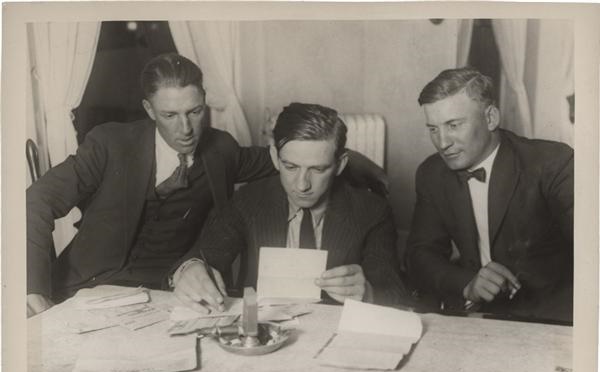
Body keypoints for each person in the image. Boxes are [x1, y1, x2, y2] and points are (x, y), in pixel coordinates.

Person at [26, 53, 387, 317]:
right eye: (170, 115)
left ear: (204, 102)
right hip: (83, 290)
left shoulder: (222, 149)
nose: (186, 129)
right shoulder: (108, 145)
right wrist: (33, 292)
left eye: (196, 111)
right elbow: (34, 203)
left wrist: (372, 172)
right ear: (149, 110)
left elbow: (289, 158)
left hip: (164, 297)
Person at [172, 102, 408, 309]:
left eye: (317, 169)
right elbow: (204, 255)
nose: (302, 185)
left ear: (340, 164)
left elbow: (395, 293)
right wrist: (189, 270)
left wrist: (368, 293)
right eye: (291, 167)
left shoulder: (371, 211)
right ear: (275, 158)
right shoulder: (249, 200)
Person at [406, 67, 573, 323]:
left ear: (491, 118)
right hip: (476, 314)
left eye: (453, 125)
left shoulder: (553, 164)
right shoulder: (432, 173)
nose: (442, 142)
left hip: (551, 319)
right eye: (433, 129)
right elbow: (420, 255)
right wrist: (466, 284)